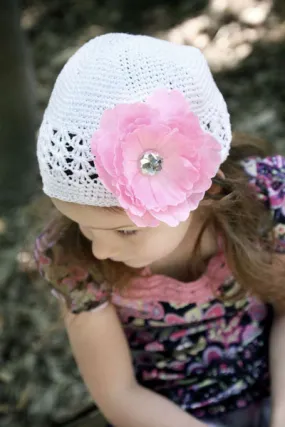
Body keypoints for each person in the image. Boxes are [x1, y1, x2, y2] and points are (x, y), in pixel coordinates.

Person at [34, 33, 285, 427]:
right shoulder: (73, 258)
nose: (98, 251)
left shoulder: (263, 205)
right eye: (85, 228)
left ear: (203, 189)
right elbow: (118, 393)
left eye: (124, 231)